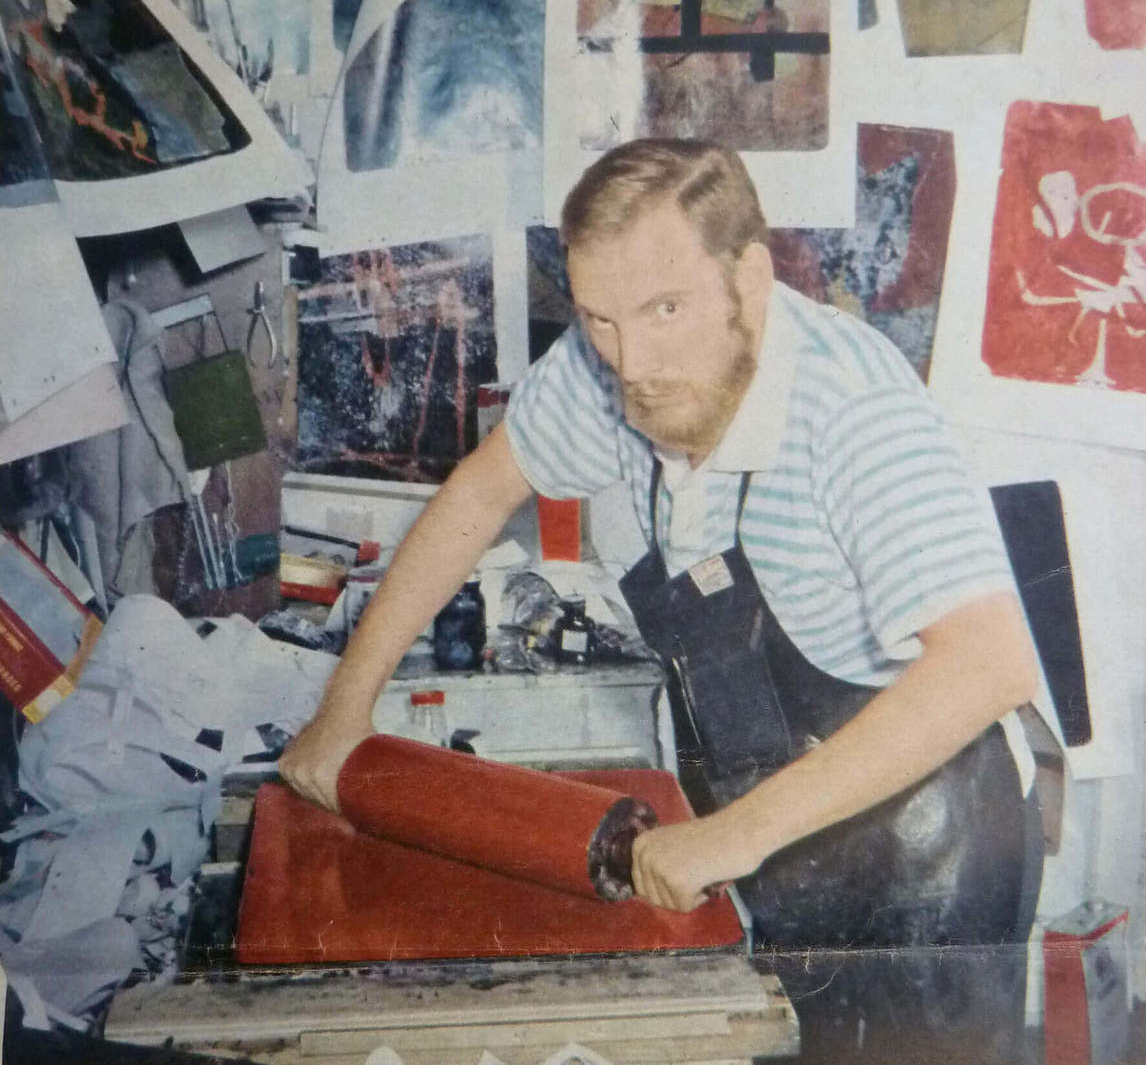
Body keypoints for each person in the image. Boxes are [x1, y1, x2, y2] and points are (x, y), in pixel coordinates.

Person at [282, 139, 1044, 1063]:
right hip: (779, 825)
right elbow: (479, 494)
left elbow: (988, 662)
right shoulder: (609, 366)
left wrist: (737, 834)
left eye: (666, 310)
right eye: (601, 320)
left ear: (750, 280)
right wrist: (344, 711)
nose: (633, 362)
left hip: (929, 848)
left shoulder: (853, 409)